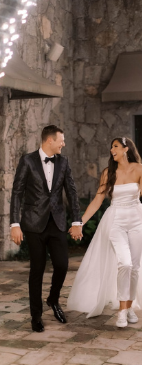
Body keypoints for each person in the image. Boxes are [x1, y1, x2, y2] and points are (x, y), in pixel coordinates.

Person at [67, 137, 142, 327]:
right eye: (111, 147)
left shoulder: (140, 169)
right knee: (125, 263)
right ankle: (121, 311)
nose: (112, 150)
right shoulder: (108, 173)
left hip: (138, 220)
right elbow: (97, 200)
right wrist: (79, 222)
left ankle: (128, 308)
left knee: (135, 267)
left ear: (126, 149)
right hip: (116, 221)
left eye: (116, 146)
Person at [9, 125, 82, 333]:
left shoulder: (64, 162)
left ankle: (53, 299)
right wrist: (15, 224)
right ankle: (36, 316)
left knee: (62, 265)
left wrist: (77, 221)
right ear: (49, 140)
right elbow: (17, 193)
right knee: (37, 270)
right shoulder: (28, 161)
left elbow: (72, 192)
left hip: (56, 223)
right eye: (61, 140)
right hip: (33, 224)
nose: (64, 144)